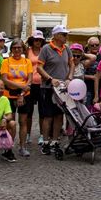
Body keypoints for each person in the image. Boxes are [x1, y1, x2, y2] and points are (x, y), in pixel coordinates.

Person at [37, 26, 72, 155]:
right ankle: (46, 142)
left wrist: (69, 77)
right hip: (48, 87)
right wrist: (50, 78)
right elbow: (39, 67)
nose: (65, 37)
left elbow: (72, 64)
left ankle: (55, 141)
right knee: (48, 116)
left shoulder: (67, 49)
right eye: (63, 34)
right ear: (56, 35)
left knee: (59, 115)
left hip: (62, 88)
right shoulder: (46, 49)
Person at [1, 38, 33, 157]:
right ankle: (8, 146)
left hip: (24, 95)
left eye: (19, 47)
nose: (17, 50)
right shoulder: (6, 62)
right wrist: (21, 86)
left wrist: (22, 93)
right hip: (9, 95)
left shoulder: (27, 62)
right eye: (15, 48)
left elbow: (29, 79)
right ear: (11, 49)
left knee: (23, 121)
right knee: (11, 121)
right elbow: (5, 80)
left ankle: (22, 146)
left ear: (23, 49)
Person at [25, 29, 45, 144]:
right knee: (29, 111)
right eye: (36, 40)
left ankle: (42, 135)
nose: (38, 42)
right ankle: (27, 134)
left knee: (42, 111)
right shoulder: (27, 51)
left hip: (42, 84)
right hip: (30, 84)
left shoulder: (44, 51)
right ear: (32, 40)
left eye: (40, 40)